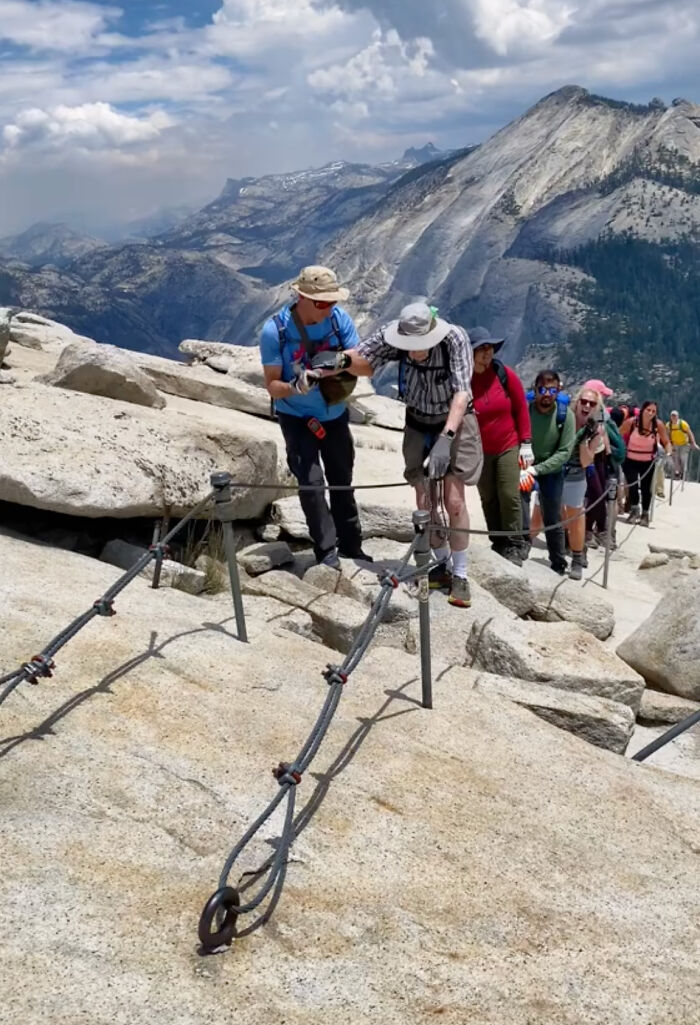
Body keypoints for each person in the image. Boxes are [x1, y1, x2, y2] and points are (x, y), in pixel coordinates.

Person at [332, 302, 483, 608]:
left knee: (454, 501)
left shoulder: (455, 339)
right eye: (409, 347)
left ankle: (462, 573)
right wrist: (337, 361)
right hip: (417, 420)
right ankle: (440, 564)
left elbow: (462, 392)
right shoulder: (392, 334)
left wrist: (447, 438)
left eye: (420, 346)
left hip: (455, 421)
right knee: (424, 501)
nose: (414, 352)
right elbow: (365, 358)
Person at [260, 265, 370, 568]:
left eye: (332, 301)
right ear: (301, 297)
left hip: (334, 414)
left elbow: (365, 366)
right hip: (295, 417)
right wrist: (296, 387)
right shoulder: (276, 331)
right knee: (310, 484)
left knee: (341, 480)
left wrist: (337, 362)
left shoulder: (339, 320)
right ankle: (326, 550)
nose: (329, 307)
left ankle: (352, 545)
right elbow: (271, 385)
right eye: (322, 302)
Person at [470, 326, 532, 566]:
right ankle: (498, 540)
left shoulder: (504, 374)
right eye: (482, 348)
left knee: (508, 494)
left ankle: (515, 543)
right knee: (488, 496)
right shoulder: (464, 379)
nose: (488, 353)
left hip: (508, 444)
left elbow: (520, 409)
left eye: (490, 348)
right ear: (471, 352)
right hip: (479, 449)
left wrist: (526, 442)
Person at [520, 370, 575, 575]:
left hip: (551, 470)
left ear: (558, 390)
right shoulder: (525, 410)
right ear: (535, 390)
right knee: (520, 506)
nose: (547, 394)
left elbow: (564, 452)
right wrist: (525, 466)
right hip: (525, 464)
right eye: (542, 389)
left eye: (552, 390)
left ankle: (558, 559)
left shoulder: (565, 416)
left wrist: (537, 469)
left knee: (552, 515)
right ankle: (522, 545)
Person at [563, 387, 612, 580]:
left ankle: (577, 554)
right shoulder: (564, 418)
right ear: (577, 402)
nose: (586, 406)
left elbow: (585, 461)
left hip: (576, 473)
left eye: (591, 404)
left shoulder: (596, 430)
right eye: (583, 401)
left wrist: (585, 438)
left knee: (575, 515)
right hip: (555, 471)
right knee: (543, 516)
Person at [580, 379, 626, 550]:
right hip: (589, 457)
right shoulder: (588, 413)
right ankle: (596, 531)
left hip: (599, 457)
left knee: (596, 495)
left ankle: (592, 531)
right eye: (603, 395)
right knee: (594, 495)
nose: (605, 399)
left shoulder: (600, 413)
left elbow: (603, 431)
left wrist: (607, 451)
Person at [620, 401, 672, 526]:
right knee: (632, 486)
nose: (650, 413)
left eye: (653, 411)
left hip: (648, 461)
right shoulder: (631, 422)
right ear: (643, 410)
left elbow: (666, 441)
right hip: (630, 459)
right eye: (648, 410)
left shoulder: (658, 425)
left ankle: (645, 513)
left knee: (646, 488)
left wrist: (668, 453)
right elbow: (618, 434)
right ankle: (634, 510)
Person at [667, 410, 699, 480]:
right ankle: (677, 473)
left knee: (683, 459)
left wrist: (694, 443)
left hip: (684, 444)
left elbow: (690, 433)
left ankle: (684, 474)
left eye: (675, 416)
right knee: (675, 459)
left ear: (678, 416)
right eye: (672, 416)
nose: (673, 417)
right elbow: (668, 434)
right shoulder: (669, 425)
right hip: (675, 444)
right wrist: (669, 444)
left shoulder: (683, 424)